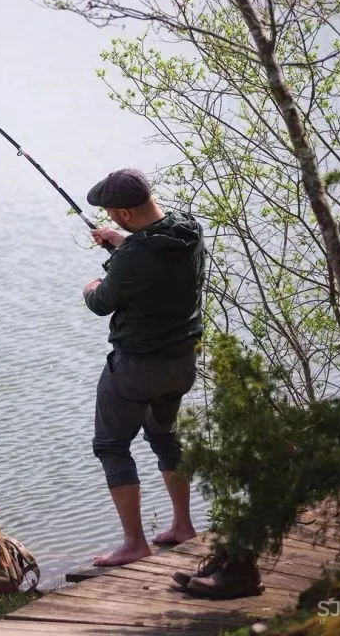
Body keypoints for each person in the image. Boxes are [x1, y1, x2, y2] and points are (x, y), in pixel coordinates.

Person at [82, 168, 205, 568]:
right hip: (181, 362)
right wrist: (122, 243)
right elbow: (150, 262)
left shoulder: (135, 257)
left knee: (112, 446)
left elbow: (103, 302)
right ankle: (183, 526)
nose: (112, 219)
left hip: (136, 367)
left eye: (114, 214)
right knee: (165, 436)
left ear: (126, 213)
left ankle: (135, 544)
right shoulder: (187, 230)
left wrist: (92, 288)